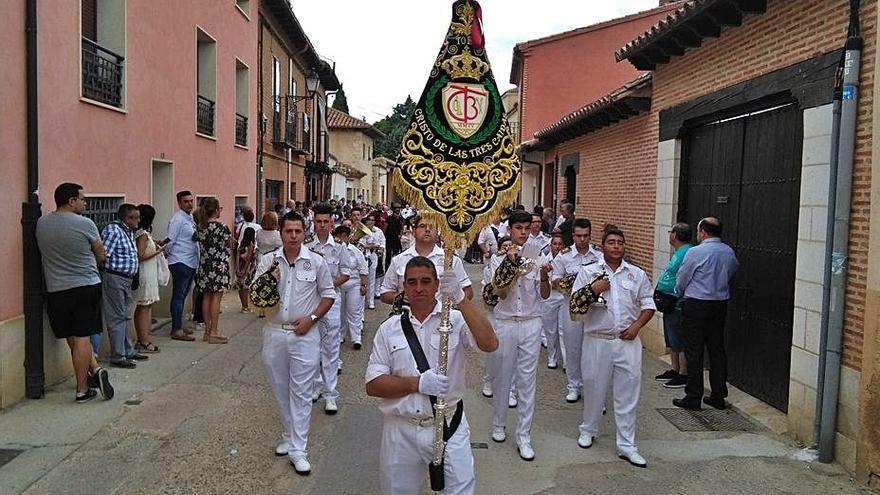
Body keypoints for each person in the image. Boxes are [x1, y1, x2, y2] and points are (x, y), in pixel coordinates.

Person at [366, 256, 498, 495]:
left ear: (437, 284)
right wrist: (417, 383)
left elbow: (490, 344)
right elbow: (373, 385)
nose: (419, 288)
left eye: (426, 281)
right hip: (400, 429)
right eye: (412, 282)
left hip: (448, 423)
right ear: (403, 287)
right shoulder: (389, 329)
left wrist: (461, 300)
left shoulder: (455, 320)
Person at [568, 226, 655, 468]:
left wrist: (638, 325)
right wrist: (593, 289)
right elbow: (575, 305)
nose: (616, 246)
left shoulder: (636, 274)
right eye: (611, 242)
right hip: (597, 340)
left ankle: (627, 444)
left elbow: (648, 303)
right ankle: (588, 429)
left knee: (628, 392)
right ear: (603, 246)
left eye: (620, 242)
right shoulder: (589, 273)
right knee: (594, 387)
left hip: (627, 341)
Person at [257, 212, 336, 475]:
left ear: (305, 232)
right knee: (280, 389)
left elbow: (328, 296)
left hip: (304, 334)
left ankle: (299, 449)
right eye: (288, 231)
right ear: (280, 232)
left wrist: (312, 318)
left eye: (297, 231)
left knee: (301, 392)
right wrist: (269, 282)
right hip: (275, 331)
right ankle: (290, 436)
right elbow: (257, 299)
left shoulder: (316, 262)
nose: (293, 236)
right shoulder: (268, 261)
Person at [36, 183, 114, 403]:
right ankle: (82, 389)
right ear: (71, 201)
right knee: (83, 336)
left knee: (72, 335)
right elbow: (101, 254)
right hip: (85, 285)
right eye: (82, 198)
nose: (85, 202)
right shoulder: (85, 224)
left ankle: (95, 370)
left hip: (56, 289)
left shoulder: (42, 223)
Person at [485, 210, 549, 462]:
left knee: (527, 379)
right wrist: (511, 263)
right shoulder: (497, 258)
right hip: (505, 321)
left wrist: (544, 276)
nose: (523, 232)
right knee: (503, 375)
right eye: (518, 228)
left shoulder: (538, 254)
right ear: (509, 230)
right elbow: (498, 293)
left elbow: (543, 294)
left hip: (531, 321)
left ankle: (524, 435)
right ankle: (499, 424)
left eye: (527, 227)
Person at [673, 217, 739, 411]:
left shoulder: (695, 252)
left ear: (702, 232)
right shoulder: (728, 252)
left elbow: (682, 278)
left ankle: (693, 396)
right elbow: (733, 269)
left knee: (694, 351)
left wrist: (679, 291)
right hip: (719, 304)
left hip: (696, 305)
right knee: (717, 349)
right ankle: (718, 395)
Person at [305, 203, 355, 413]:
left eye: (326, 221)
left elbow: (346, 273)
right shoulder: (308, 247)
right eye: (319, 221)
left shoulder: (339, 248)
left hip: (332, 302)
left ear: (331, 222)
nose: (322, 225)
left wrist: (327, 283)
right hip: (311, 303)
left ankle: (331, 393)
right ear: (314, 222)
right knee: (312, 347)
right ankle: (316, 385)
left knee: (331, 349)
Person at [550, 218, 603, 403]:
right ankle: (573, 385)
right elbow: (554, 279)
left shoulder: (598, 255)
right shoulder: (564, 256)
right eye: (579, 236)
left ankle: (592, 389)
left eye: (586, 236)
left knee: (592, 349)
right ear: (573, 236)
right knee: (572, 348)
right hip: (570, 307)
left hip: (594, 309)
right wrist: (565, 282)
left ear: (590, 235)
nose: (582, 239)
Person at [380, 215, 473, 307]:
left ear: (437, 232)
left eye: (432, 226)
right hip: (408, 315)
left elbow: (468, 291)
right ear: (413, 231)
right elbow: (385, 293)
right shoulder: (399, 260)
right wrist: (401, 298)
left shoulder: (451, 260)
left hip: (442, 317)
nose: (427, 230)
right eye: (422, 226)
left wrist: (450, 307)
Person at [101, 203, 148, 368]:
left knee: (126, 315)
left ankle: (128, 350)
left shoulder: (127, 231)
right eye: (136, 217)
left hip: (127, 279)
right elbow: (103, 254)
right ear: (128, 218)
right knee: (117, 316)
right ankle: (118, 355)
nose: (139, 221)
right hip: (115, 277)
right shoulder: (113, 231)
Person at [654, 222, 693, 389]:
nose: (669, 234)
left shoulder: (688, 252)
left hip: (676, 303)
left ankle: (683, 373)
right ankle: (674, 369)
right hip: (668, 302)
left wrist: (676, 294)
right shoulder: (679, 252)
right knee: (671, 337)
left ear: (675, 235)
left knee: (679, 338)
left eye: (671, 232)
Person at [195, 197, 232, 344]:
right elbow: (229, 244)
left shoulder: (200, 227)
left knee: (206, 297)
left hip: (205, 264)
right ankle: (214, 331)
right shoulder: (222, 227)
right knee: (216, 298)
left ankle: (207, 330)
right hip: (219, 265)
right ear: (216, 210)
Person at [166, 190, 199, 342]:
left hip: (191, 261)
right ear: (179, 203)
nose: (190, 204)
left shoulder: (190, 218)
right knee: (178, 295)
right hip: (179, 260)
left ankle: (179, 324)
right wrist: (168, 255)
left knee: (184, 295)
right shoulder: (177, 219)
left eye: (191, 201)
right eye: (186, 201)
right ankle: (176, 329)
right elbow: (170, 240)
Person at [133, 204, 164, 353]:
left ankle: (145, 337)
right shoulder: (143, 234)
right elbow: (141, 255)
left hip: (149, 273)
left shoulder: (144, 234)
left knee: (147, 306)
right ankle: (143, 340)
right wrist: (158, 252)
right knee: (144, 307)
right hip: (145, 273)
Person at [335, 225, 369, 349]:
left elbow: (363, 269)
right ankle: (340, 336)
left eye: (344, 236)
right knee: (340, 313)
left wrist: (363, 285)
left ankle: (356, 338)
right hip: (338, 285)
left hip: (354, 284)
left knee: (353, 311)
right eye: (339, 236)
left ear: (348, 237)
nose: (342, 239)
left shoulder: (355, 251)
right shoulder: (333, 250)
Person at [540, 233, 567, 369]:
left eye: (560, 244)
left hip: (563, 296)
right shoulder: (545, 259)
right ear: (550, 246)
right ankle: (552, 356)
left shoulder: (567, 259)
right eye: (554, 244)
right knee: (550, 330)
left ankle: (566, 361)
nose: (557, 247)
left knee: (563, 329)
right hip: (549, 297)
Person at [360, 213, 385, 310]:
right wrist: (371, 246)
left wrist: (381, 248)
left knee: (372, 278)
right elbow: (361, 244)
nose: (370, 223)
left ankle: (370, 301)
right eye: (369, 221)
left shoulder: (378, 231)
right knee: (363, 279)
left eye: (372, 221)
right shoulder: (361, 231)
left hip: (373, 255)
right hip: (363, 255)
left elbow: (382, 241)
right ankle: (362, 301)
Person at [235, 226, 258, 314]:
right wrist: (245, 270)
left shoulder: (242, 244)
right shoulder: (251, 245)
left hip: (240, 266)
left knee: (241, 287)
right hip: (247, 268)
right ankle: (246, 306)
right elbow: (248, 258)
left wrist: (237, 268)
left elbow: (237, 256)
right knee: (246, 288)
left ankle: (243, 305)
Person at [384, 203, 404, 269]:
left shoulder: (401, 218)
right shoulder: (389, 218)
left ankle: (395, 267)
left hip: (396, 238)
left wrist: (400, 235)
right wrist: (384, 236)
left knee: (396, 253)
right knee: (388, 254)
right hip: (389, 237)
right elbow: (385, 227)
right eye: (396, 208)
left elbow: (401, 227)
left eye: (399, 208)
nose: (398, 209)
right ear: (393, 209)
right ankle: (387, 268)